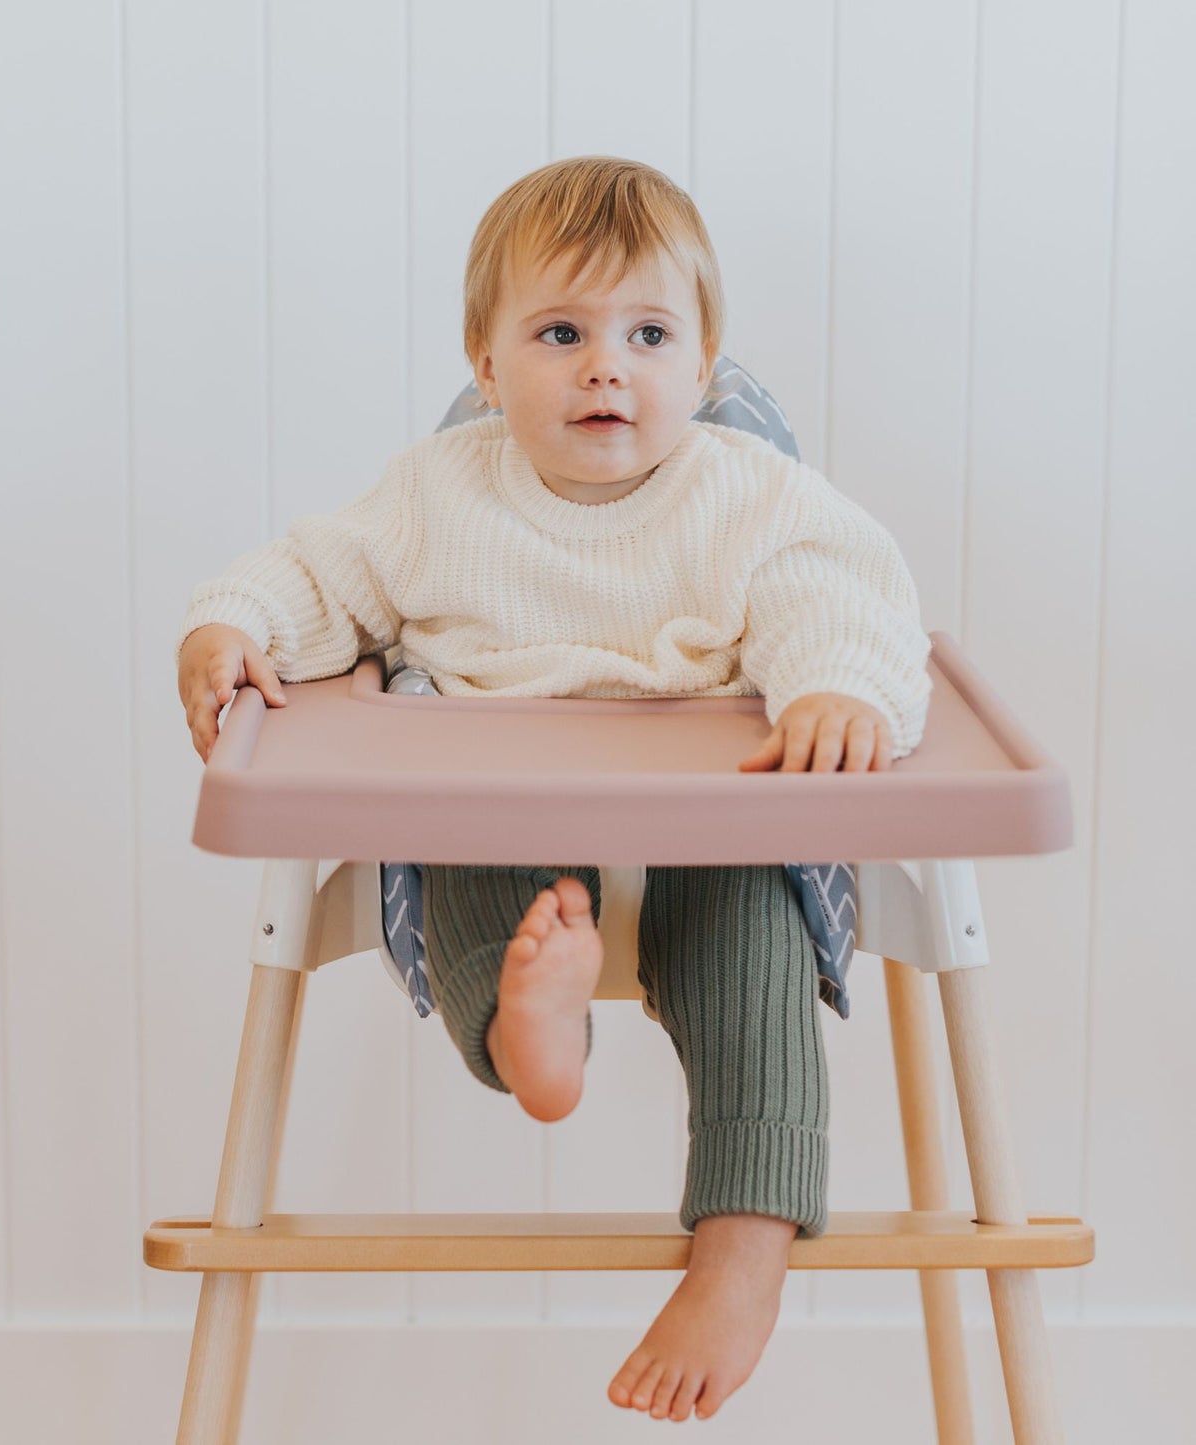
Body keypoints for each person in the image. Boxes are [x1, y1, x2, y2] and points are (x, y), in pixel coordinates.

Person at [175, 156, 931, 1423]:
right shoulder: (437, 496)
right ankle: (537, 1039)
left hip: (711, 818)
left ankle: (740, 1248)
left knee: (753, 932)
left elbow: (832, 594)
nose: (604, 367)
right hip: (500, 790)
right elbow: (320, 575)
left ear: (702, 364)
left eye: (646, 334)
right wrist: (231, 628)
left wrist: (834, 690)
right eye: (559, 333)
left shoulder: (741, 495)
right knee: (471, 858)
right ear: (484, 363)